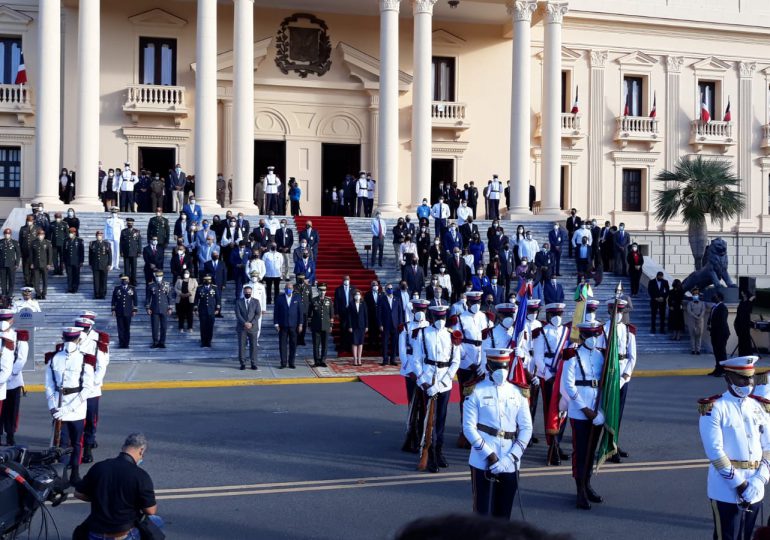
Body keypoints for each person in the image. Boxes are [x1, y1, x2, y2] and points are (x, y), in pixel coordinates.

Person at [698, 355, 770, 540]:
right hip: (726, 489)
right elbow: (715, 451)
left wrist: (759, 479)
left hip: (755, 487)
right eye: (742, 378)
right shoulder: (714, 408)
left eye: (751, 377)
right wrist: (739, 484)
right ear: (728, 378)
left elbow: (768, 447)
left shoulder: (759, 407)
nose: (749, 382)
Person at [463, 347, 532, 518]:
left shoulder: (518, 392)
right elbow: (468, 428)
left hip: (510, 457)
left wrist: (510, 458)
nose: (502, 371)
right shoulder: (475, 391)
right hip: (482, 458)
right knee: (482, 513)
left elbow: (526, 428)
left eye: (505, 366)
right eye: (497, 366)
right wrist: (490, 455)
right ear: (488, 366)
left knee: (503, 513)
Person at [74, 433, 163, 539]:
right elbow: (150, 511)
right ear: (141, 450)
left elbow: (78, 493)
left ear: (123, 447)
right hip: (122, 533)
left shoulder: (99, 467)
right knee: (157, 521)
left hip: (96, 532)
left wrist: (100, 497)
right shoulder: (140, 475)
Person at [563, 321, 606, 510]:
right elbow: (569, 387)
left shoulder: (601, 356)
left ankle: (587, 484)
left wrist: (599, 411)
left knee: (591, 451)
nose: (592, 339)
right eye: (588, 336)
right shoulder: (572, 357)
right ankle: (579, 490)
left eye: (595, 335)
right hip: (580, 412)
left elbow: (607, 381)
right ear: (581, 337)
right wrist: (585, 409)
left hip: (598, 410)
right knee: (580, 452)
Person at [45, 327, 95, 485]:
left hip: (76, 408)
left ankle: (75, 473)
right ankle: (62, 475)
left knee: (77, 442)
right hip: (59, 406)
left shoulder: (85, 359)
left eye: (71, 339)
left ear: (78, 340)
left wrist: (69, 408)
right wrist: (53, 407)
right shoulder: (53, 358)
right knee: (62, 443)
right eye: (68, 339)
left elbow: (87, 388)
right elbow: (49, 385)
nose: (69, 342)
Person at [415, 306, 461, 473]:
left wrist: (442, 383)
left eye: (443, 317)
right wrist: (423, 381)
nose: (440, 321)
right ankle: (428, 452)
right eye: (437, 317)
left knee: (441, 418)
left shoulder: (452, 335)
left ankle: (439, 451)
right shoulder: (423, 333)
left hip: (444, 382)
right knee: (428, 419)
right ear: (432, 317)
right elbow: (417, 359)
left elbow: (455, 361)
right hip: (427, 380)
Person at [452, 291, 493, 448]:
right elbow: (458, 343)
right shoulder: (460, 319)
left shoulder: (485, 318)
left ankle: (481, 431)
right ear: (467, 303)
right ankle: (466, 431)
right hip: (467, 364)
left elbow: (490, 340)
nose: (476, 305)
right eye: (473, 302)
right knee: (466, 399)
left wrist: (483, 364)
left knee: (483, 398)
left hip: (482, 363)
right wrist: (471, 363)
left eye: (478, 302)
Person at [598, 299, 637, 463]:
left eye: (621, 311)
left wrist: (625, 377)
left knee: (618, 413)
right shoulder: (603, 330)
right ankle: (603, 445)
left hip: (621, 375)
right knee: (604, 412)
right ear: (609, 311)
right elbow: (599, 353)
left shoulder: (629, 331)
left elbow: (632, 357)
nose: (618, 314)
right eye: (616, 311)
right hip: (607, 375)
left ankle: (614, 443)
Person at [532, 303, 571, 465]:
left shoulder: (568, 333)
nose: (557, 317)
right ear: (548, 315)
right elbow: (538, 357)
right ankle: (552, 445)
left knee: (564, 410)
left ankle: (558, 443)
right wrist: (549, 376)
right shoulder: (541, 332)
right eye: (554, 314)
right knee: (550, 409)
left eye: (560, 314)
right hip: (548, 378)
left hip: (563, 376)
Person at [73, 312, 109, 463]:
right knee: (75, 417)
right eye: (79, 328)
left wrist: (93, 383)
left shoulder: (98, 341)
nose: (81, 331)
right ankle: (74, 443)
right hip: (74, 386)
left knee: (90, 418)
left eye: (84, 328)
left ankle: (88, 446)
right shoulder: (72, 340)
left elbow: (102, 365)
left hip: (91, 388)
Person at [0, 310, 28, 446]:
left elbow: (21, 359)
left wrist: (10, 375)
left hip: (12, 380)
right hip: (1, 379)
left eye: (7, 319)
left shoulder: (18, 335)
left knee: (11, 410)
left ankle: (10, 435)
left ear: (12, 320)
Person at [275, 282, 302, 368]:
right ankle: (283, 363)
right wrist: (276, 324)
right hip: (283, 325)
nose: (288, 289)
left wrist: (300, 324)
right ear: (284, 289)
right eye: (287, 288)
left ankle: (291, 362)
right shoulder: (279, 298)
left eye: (290, 288)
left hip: (294, 326)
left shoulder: (297, 298)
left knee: (293, 344)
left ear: (293, 289)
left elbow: (300, 312)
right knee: (282, 345)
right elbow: (276, 312)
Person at [235, 283, 261, 370]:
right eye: (246, 292)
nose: (248, 294)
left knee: (253, 346)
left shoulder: (256, 301)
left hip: (253, 327)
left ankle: (253, 363)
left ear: (251, 292)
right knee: (242, 346)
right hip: (242, 327)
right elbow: (238, 314)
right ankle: (242, 363)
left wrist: (251, 323)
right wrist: (245, 323)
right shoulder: (239, 302)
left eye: (249, 292)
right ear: (243, 292)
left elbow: (258, 314)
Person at [144, 270, 172, 349]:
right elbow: (148, 298)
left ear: (162, 276)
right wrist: (147, 307)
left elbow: (169, 297)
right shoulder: (151, 285)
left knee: (164, 326)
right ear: (155, 277)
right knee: (154, 326)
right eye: (157, 276)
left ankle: (162, 342)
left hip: (164, 308)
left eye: (160, 276)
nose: (158, 278)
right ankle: (155, 342)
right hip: (154, 308)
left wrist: (170, 307)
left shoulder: (166, 285)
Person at [377, 283, 403, 367]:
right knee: (385, 342)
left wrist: (400, 323)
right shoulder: (382, 299)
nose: (390, 289)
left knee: (394, 342)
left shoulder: (397, 299)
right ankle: (385, 360)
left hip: (395, 325)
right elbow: (379, 313)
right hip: (385, 324)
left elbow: (400, 312)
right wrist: (380, 324)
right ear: (385, 289)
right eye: (388, 288)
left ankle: (393, 359)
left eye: (391, 288)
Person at [309, 283, 334, 367]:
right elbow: (309, 314)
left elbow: (331, 314)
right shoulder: (313, 300)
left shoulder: (329, 301)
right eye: (321, 290)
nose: (323, 292)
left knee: (325, 344)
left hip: (326, 326)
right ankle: (316, 361)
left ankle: (323, 360)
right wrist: (310, 325)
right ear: (318, 290)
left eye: (324, 290)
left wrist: (331, 325)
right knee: (316, 345)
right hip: (316, 326)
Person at [194, 274, 220, 347]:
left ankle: (209, 341)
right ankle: (203, 341)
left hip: (211, 310)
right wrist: (195, 309)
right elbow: (196, 299)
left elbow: (218, 299)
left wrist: (217, 309)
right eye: (206, 280)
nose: (207, 281)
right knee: (203, 327)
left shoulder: (214, 288)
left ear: (211, 280)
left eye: (209, 280)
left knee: (210, 326)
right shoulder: (199, 288)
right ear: (203, 280)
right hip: (202, 310)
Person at [111, 274, 137, 348]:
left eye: (125, 280)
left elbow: (135, 299)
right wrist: (113, 309)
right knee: (120, 328)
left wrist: (135, 309)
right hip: (119, 311)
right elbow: (113, 300)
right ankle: (121, 343)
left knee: (127, 328)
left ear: (128, 280)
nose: (124, 281)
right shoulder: (117, 288)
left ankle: (126, 343)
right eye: (123, 280)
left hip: (128, 311)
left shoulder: (132, 288)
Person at [88, 230, 112, 300]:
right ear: (96, 236)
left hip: (104, 265)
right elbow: (90, 255)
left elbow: (110, 255)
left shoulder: (107, 244)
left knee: (103, 280)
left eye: (100, 235)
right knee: (96, 280)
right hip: (95, 264)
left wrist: (109, 264)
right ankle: (96, 294)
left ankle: (103, 294)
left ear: (102, 236)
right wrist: (90, 264)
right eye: (98, 235)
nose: (99, 236)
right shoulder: (92, 244)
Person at [30, 228, 53, 299]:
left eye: (42, 235)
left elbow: (50, 254)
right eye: (39, 235)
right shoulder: (33, 243)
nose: (40, 236)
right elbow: (31, 254)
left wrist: (49, 263)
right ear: (37, 235)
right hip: (36, 264)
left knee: (45, 280)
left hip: (45, 264)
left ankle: (44, 293)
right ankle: (38, 293)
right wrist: (31, 263)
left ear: (44, 235)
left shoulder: (47, 243)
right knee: (36, 280)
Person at [347, 290, 368, 366]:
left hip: (362, 326)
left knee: (360, 343)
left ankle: (359, 359)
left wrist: (366, 326)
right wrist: (350, 326)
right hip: (354, 326)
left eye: (359, 294)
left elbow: (366, 315)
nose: (357, 295)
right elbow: (349, 316)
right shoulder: (351, 304)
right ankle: (355, 359)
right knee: (354, 342)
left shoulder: (363, 304)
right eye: (356, 294)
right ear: (354, 296)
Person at [119, 218, 142, 286]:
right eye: (128, 223)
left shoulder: (136, 231)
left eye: (131, 223)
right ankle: (127, 281)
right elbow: (121, 242)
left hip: (134, 252)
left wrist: (139, 251)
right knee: (126, 269)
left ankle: (134, 281)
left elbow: (139, 242)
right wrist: (121, 251)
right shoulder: (123, 231)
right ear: (127, 224)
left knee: (134, 268)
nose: (130, 224)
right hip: (126, 252)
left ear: (133, 224)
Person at [63, 227, 85, 293]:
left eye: (72, 233)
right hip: (68, 261)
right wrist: (63, 261)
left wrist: (81, 261)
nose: (71, 234)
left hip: (76, 261)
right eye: (70, 232)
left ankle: (75, 288)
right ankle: (69, 288)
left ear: (75, 233)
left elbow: (82, 251)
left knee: (76, 275)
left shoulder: (79, 240)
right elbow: (64, 252)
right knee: (69, 275)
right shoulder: (66, 240)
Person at [0, 227, 20, 297]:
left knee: (11, 279)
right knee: (3, 280)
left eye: (8, 234)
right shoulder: (1, 242)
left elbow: (18, 254)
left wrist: (17, 263)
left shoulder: (15, 242)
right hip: (2, 264)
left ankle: (10, 293)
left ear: (10, 234)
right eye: (5, 234)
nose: (7, 235)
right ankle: (4, 293)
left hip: (11, 264)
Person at [685, 288, 705, 355]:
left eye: (696, 294)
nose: (695, 295)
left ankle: (698, 350)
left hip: (700, 321)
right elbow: (689, 311)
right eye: (694, 294)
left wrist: (700, 316)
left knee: (699, 336)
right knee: (692, 335)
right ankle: (693, 349)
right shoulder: (690, 303)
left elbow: (703, 310)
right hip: (692, 320)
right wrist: (695, 316)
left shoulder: (702, 303)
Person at [735, 290, 756, 356]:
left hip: (745, 324)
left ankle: (747, 353)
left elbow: (747, 310)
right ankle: (741, 353)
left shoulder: (749, 302)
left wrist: (750, 300)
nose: (742, 295)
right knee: (741, 339)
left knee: (746, 339)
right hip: (740, 323)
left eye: (743, 293)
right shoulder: (741, 302)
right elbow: (739, 312)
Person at [50, 212, 69, 276]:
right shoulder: (52, 224)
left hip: (62, 244)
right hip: (54, 243)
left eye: (59, 217)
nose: (57, 218)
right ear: (55, 218)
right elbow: (49, 234)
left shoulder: (64, 224)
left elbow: (67, 234)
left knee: (62, 258)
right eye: (56, 217)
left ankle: (61, 270)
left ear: (61, 218)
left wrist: (66, 243)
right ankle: (55, 270)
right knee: (54, 258)